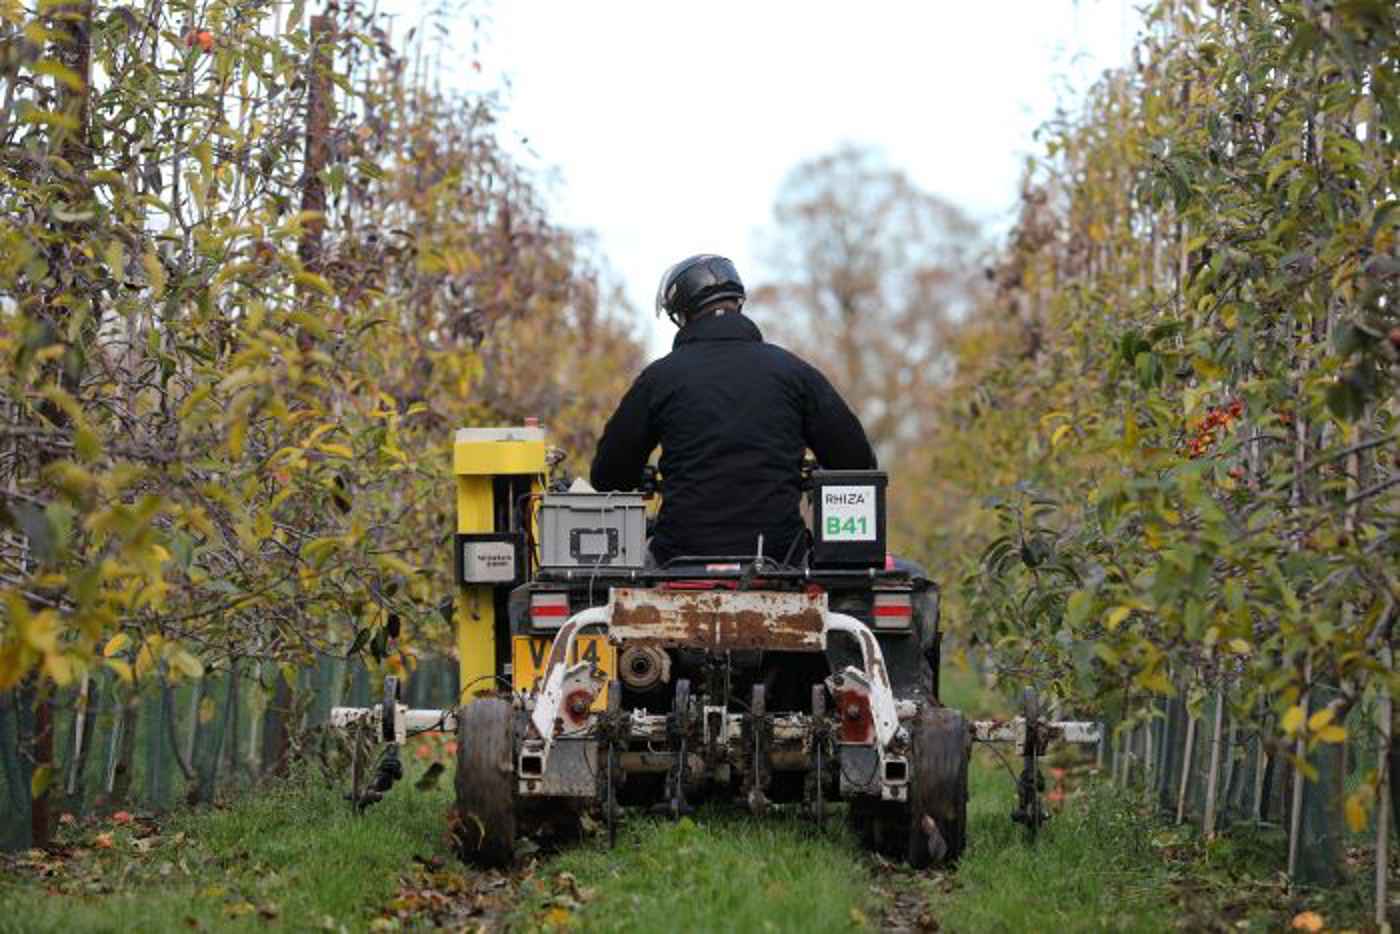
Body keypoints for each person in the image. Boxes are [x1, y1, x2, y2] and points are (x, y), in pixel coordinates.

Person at [590, 254, 876, 566]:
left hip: (679, 556)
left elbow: (607, 476)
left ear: (682, 314)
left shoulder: (660, 378)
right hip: (780, 558)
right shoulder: (794, 372)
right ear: (738, 303)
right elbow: (858, 462)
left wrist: (637, 477)